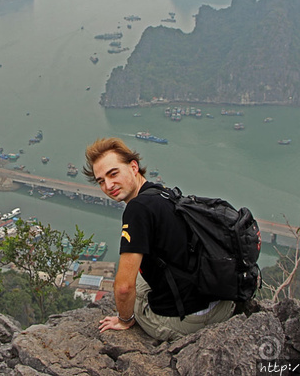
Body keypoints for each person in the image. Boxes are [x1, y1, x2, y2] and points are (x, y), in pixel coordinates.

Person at [83, 137, 234, 341]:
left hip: (193, 319)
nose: (108, 185)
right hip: (222, 303)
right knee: (142, 276)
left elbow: (124, 287)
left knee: (134, 297)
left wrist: (125, 319)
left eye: (113, 174)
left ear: (133, 167)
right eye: (101, 181)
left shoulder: (137, 210)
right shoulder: (162, 193)